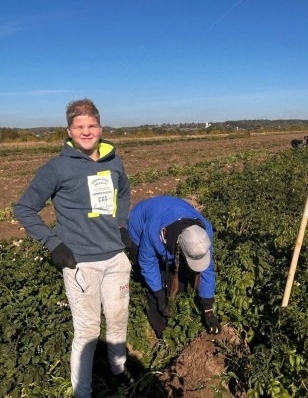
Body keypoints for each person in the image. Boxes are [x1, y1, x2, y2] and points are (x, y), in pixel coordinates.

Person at [13, 99, 132, 397]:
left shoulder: (113, 160)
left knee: (118, 320)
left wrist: (121, 225)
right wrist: (53, 244)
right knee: (89, 332)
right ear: (69, 131)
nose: (86, 131)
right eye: (79, 127)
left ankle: (118, 371)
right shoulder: (56, 168)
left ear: (100, 128)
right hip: (81, 264)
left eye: (92, 125)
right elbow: (24, 208)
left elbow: (125, 193)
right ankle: (83, 392)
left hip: (116, 259)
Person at [127, 195, 222, 342]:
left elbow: (207, 270)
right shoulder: (154, 234)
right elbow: (147, 264)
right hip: (140, 225)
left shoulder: (203, 234)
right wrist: (159, 296)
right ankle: (162, 334)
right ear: (179, 247)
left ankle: (174, 299)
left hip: (172, 209)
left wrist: (208, 309)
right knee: (154, 281)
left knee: (181, 274)